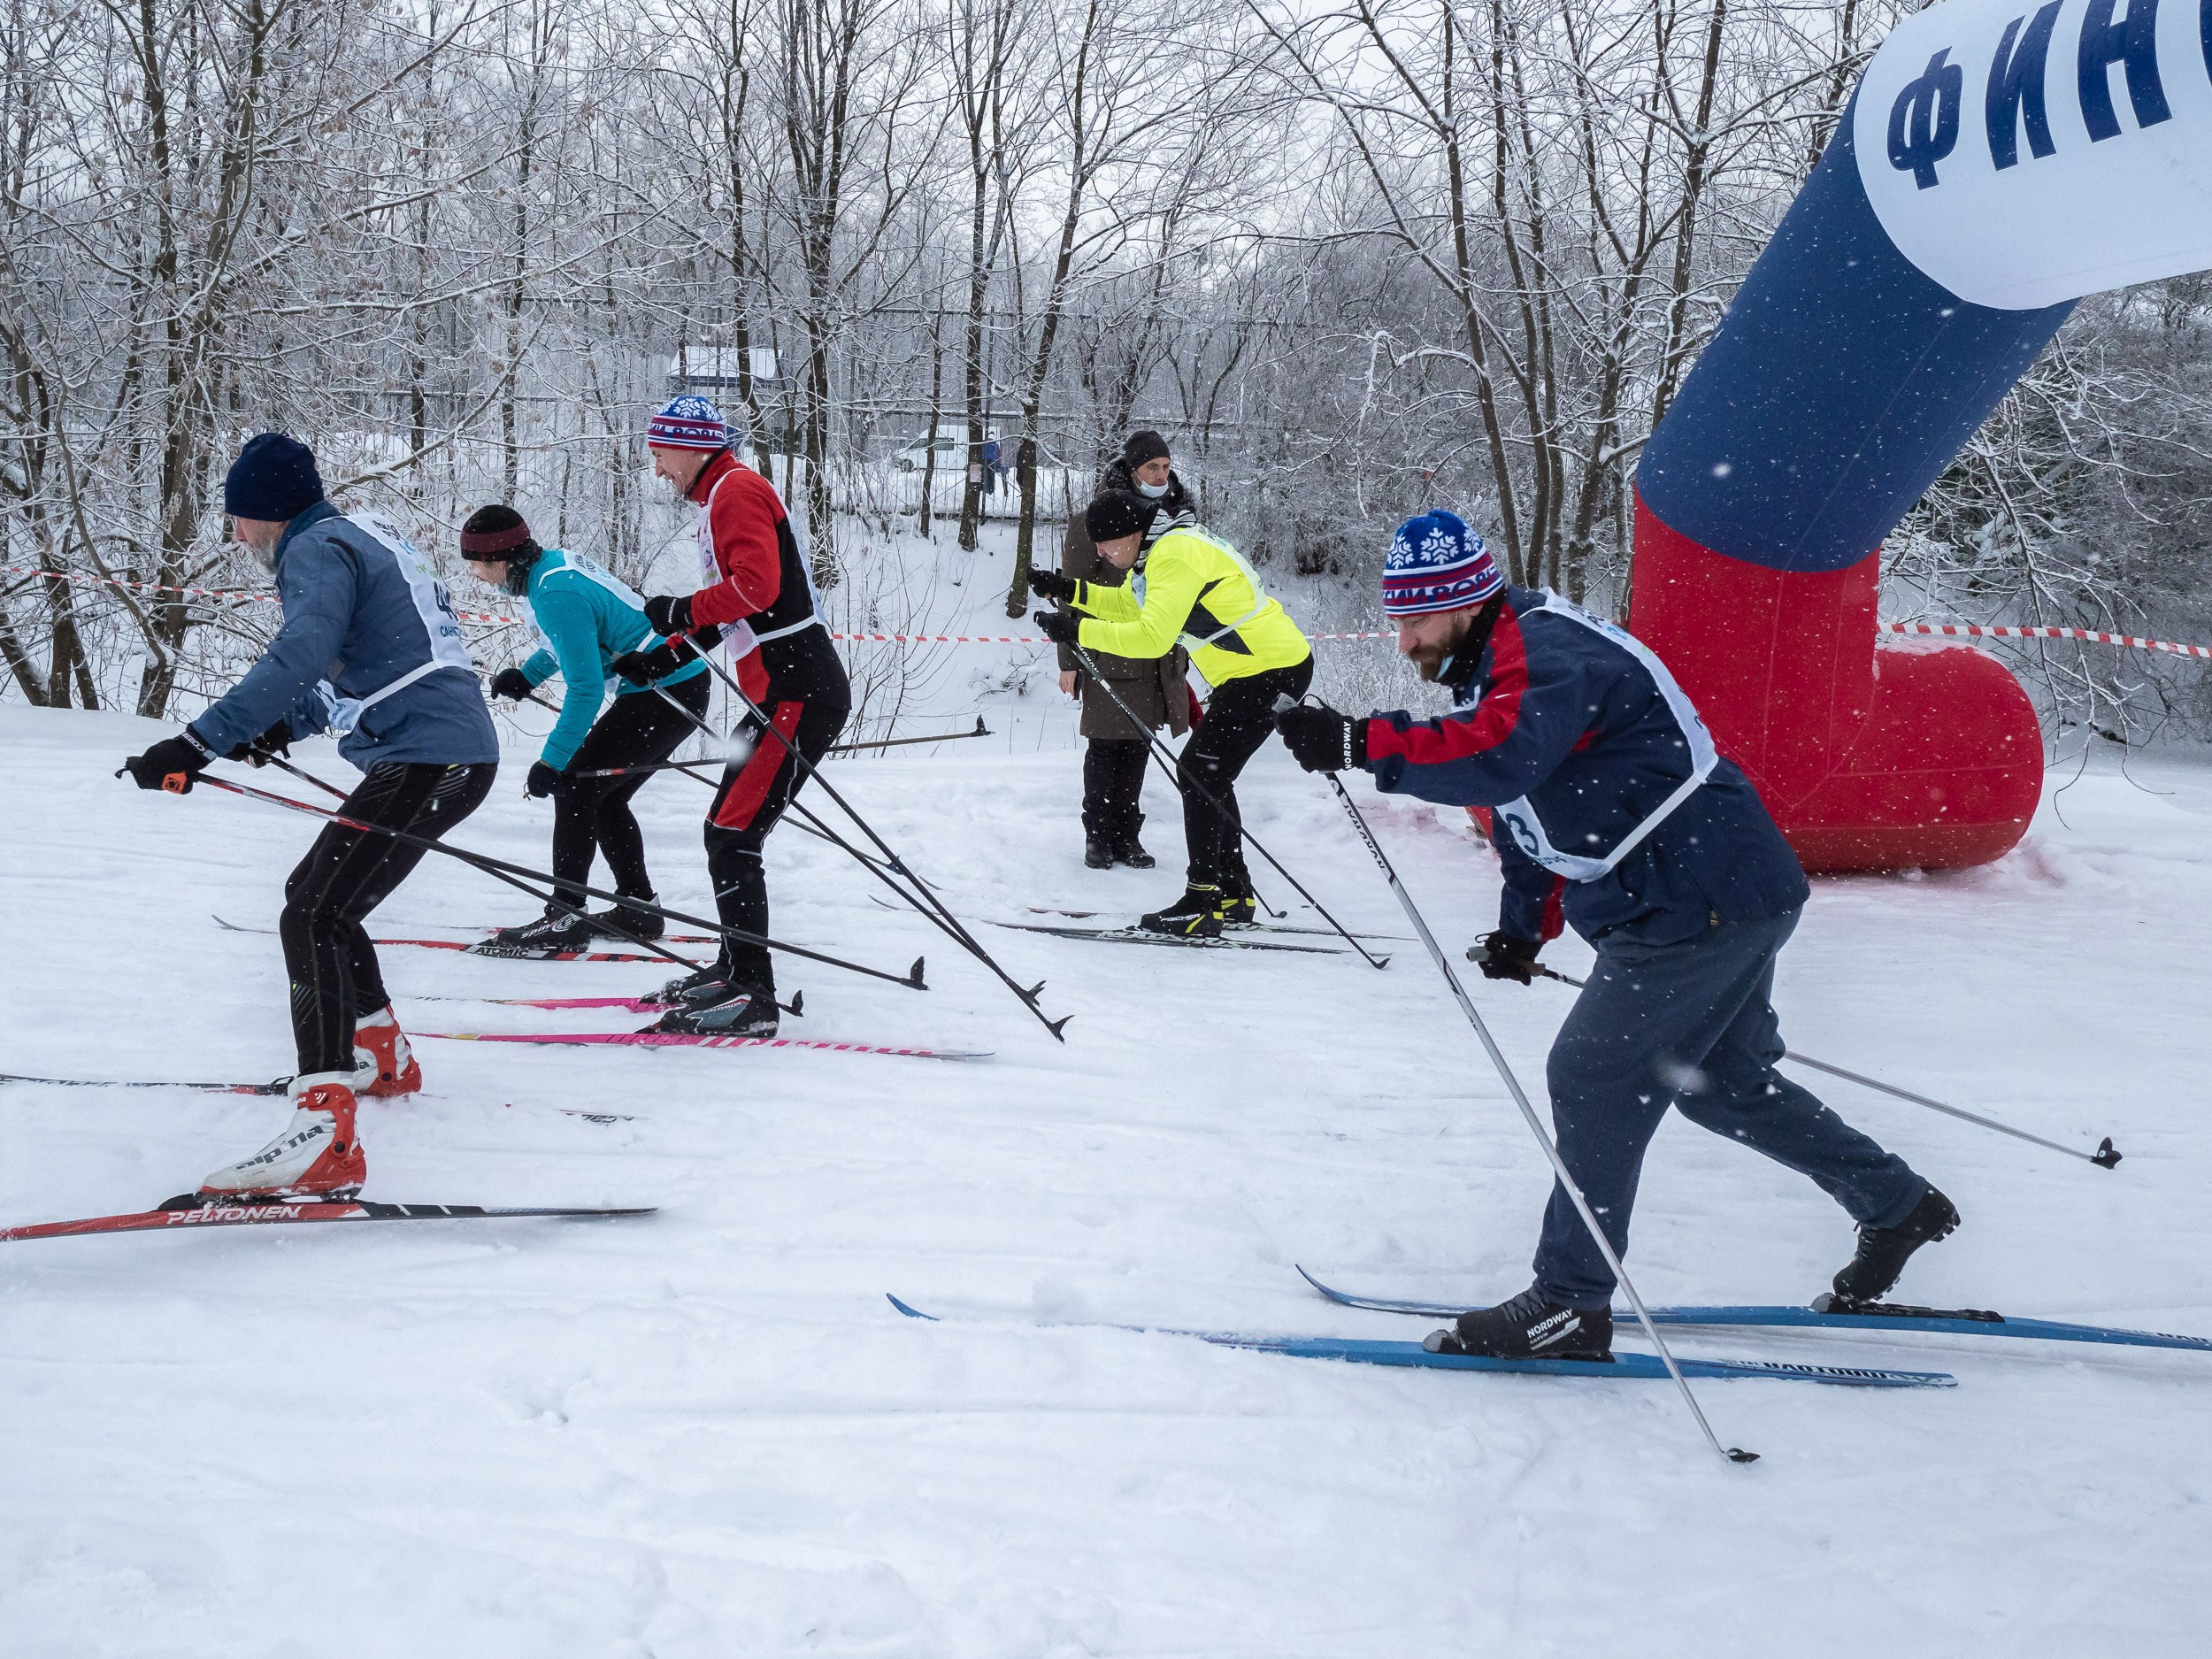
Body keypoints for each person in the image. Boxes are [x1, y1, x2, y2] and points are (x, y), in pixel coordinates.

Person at [1272, 510, 1957, 1360]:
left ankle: (1571, 1299)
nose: (1405, 642)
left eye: (1415, 621)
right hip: (1712, 893)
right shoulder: (1497, 666)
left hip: (1701, 896)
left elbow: (1503, 758)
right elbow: (1526, 811)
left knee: (1594, 1072)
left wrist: (1359, 740)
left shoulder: (1548, 652)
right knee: (1718, 1082)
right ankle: (1896, 1204)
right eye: (1398, 621)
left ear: (1461, 604)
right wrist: (1524, 931)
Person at [121, 434, 499, 1200]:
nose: (236, 536)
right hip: (444, 750)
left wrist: (198, 742)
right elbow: (359, 664)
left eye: (239, 519)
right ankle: (380, 1055)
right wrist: (281, 725)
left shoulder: (314, 548)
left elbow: (300, 651)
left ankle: (324, 1129)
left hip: (428, 755)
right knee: (322, 897)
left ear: (268, 511)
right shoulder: (357, 534)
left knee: (312, 915)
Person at [623, 394, 851, 1037]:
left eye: (662, 451)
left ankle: (753, 994)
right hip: (780, 689)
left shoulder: (735, 492)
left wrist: (681, 609)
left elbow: (758, 588)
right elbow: (738, 612)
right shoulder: (720, 494)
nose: (658, 468)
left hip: (796, 689)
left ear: (695, 447)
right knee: (723, 827)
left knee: (732, 833)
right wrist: (664, 656)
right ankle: (734, 968)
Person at [1031, 489, 1312, 938]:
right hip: (1254, 672)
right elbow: (1128, 605)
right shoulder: (1160, 551)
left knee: (1199, 772)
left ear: (1130, 533)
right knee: (1209, 775)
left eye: (1104, 543)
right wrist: (1067, 590)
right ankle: (1232, 891)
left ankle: (1202, 902)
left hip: (1267, 671)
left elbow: (1152, 638)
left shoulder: (1175, 554)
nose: (1100, 552)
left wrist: (1077, 629)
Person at [458, 505, 711, 956]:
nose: (477, 575)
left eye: (476, 564)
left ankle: (565, 916)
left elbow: (586, 687)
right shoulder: (552, 569)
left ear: (500, 560)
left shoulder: (553, 592)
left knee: (575, 787)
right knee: (604, 794)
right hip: (675, 683)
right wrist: (528, 676)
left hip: (665, 691)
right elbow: (579, 642)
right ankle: (637, 909)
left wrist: (551, 761)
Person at [1055, 430, 1195, 869]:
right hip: (1110, 653)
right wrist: (1068, 659)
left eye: (1166, 467)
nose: (1161, 475)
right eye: (1152, 467)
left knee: (1138, 746)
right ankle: (1097, 835)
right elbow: (1071, 592)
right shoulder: (1096, 519)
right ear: (1132, 470)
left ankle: (1126, 834)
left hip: (1159, 656)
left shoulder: (1180, 518)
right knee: (1105, 747)